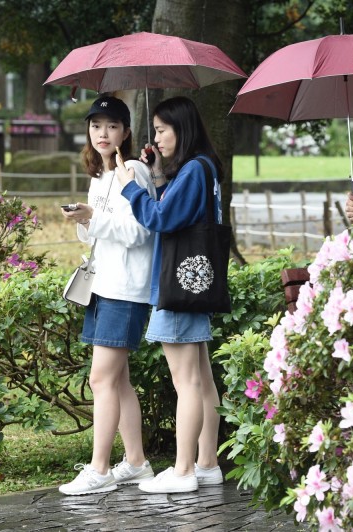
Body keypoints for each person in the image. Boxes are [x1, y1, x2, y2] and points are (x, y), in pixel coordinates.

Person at [115, 96, 224, 494]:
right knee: (203, 381)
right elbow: (176, 211)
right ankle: (207, 464)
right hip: (194, 282)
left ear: (182, 128)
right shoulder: (204, 168)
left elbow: (159, 218)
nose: (156, 137)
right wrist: (159, 176)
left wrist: (132, 188)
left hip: (177, 287)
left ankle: (183, 471)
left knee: (188, 384)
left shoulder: (194, 170)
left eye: (162, 130)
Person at [58, 95, 158, 496]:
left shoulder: (131, 169)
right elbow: (96, 232)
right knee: (118, 383)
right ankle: (136, 462)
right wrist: (84, 218)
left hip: (125, 288)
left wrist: (93, 218)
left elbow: (140, 232)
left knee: (101, 379)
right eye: (96, 125)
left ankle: (99, 470)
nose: (103, 133)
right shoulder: (99, 174)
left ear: (126, 133)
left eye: (112, 126)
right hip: (103, 283)